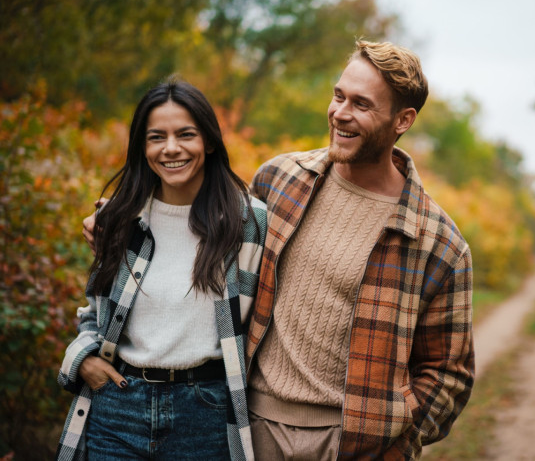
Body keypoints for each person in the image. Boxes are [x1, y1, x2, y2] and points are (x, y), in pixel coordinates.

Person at [83, 40, 474, 459]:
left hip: (350, 444)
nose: (340, 112)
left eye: (361, 104)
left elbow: (447, 375)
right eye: (338, 96)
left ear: (403, 120)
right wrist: (121, 218)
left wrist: (389, 434)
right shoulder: (280, 180)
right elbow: (200, 221)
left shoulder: (439, 244)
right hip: (251, 428)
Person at [58, 78, 266, 461]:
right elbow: (95, 313)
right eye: (157, 137)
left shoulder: (247, 222)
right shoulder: (121, 220)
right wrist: (83, 358)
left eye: (185, 134)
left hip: (205, 413)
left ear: (209, 141)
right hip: (117, 407)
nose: (171, 149)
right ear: (142, 146)